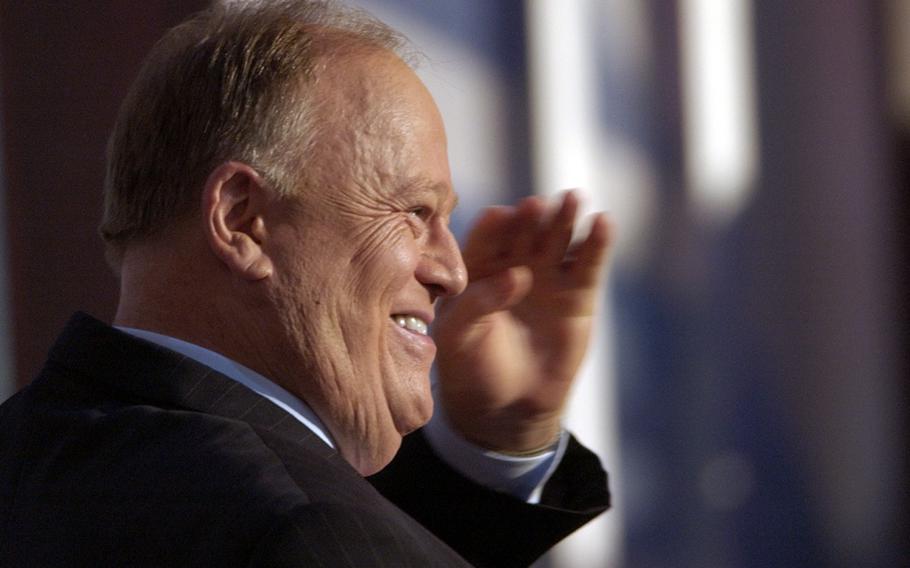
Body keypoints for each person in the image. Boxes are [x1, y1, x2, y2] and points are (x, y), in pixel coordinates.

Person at [0, 2, 612, 566]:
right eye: (415, 212)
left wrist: (492, 440)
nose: (452, 272)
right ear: (243, 220)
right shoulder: (298, 529)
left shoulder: (37, 467)